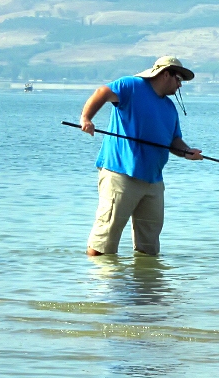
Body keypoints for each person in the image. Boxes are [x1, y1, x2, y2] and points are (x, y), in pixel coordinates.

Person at [79, 56, 202, 257]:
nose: (180, 85)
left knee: (149, 246)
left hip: (153, 181)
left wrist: (187, 152)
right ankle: (100, 285)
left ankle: (145, 286)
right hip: (120, 174)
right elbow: (102, 92)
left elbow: (174, 142)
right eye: (179, 79)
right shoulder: (131, 85)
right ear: (166, 74)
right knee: (105, 238)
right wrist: (86, 119)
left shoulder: (170, 109)